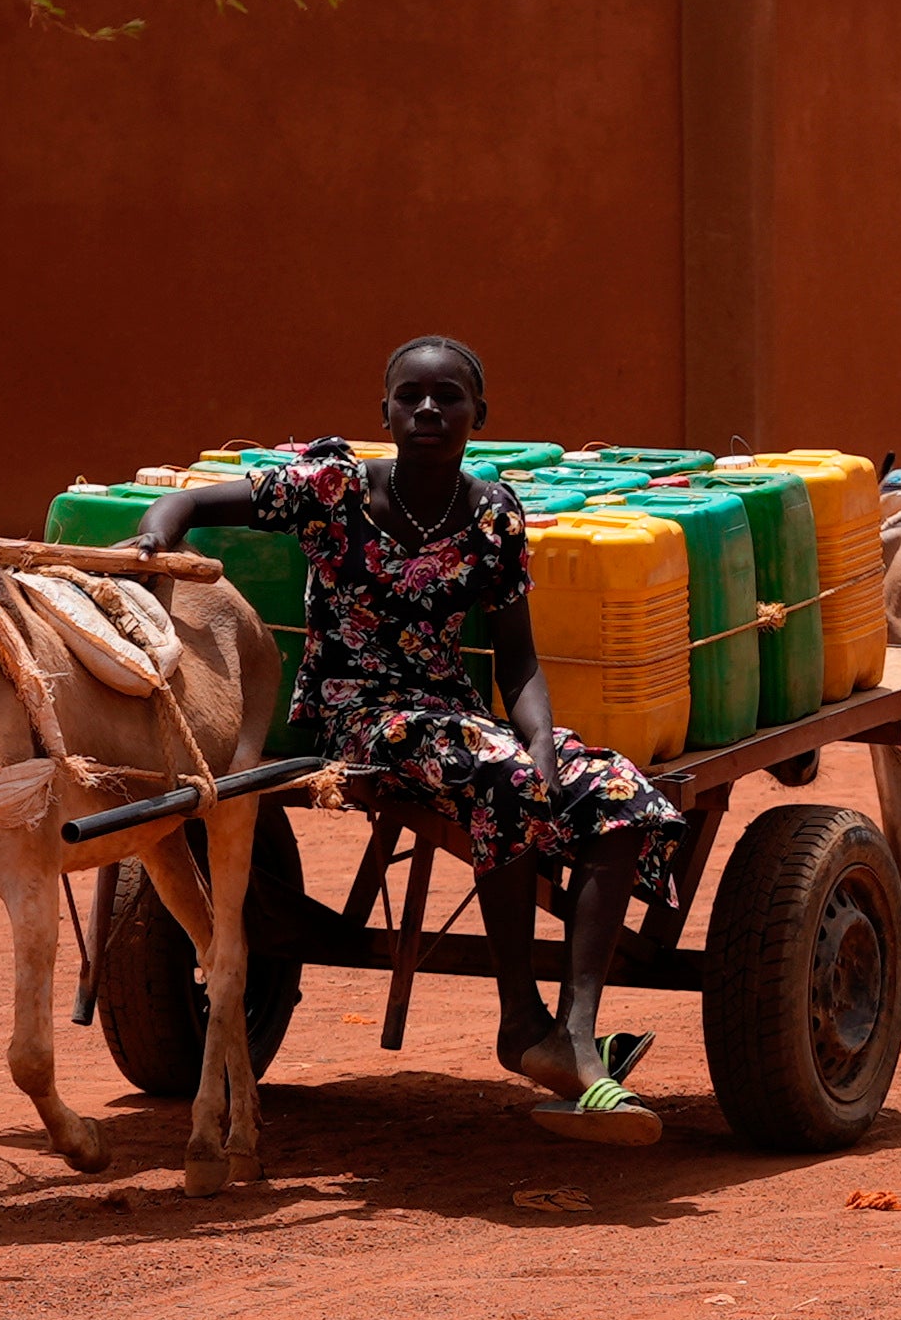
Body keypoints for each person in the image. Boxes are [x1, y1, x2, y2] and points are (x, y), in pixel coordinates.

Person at [130, 335, 683, 1143]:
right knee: (504, 777)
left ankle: (573, 1030)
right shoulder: (334, 490)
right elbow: (190, 507)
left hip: (455, 715)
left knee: (620, 792)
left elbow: (519, 659)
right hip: (357, 714)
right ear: (384, 412)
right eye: (410, 396)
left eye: (448, 397)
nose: (428, 409)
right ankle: (519, 1019)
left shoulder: (493, 514)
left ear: (478, 415)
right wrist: (154, 542)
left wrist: (536, 738)